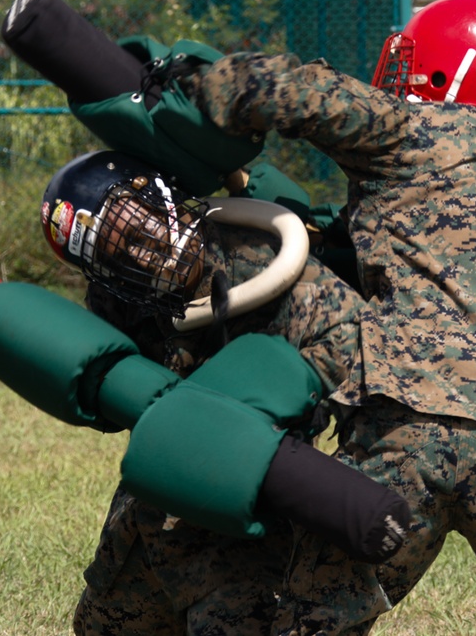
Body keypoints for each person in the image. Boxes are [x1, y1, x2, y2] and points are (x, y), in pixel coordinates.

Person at [173, 0, 476, 634]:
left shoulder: (412, 133)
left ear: (447, 69)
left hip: (405, 424)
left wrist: (194, 88)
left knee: (314, 622)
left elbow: (299, 91)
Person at [38, 149, 394, 635]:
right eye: (121, 254)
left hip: (246, 510)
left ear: (161, 200)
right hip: (157, 510)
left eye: (142, 234)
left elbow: (356, 347)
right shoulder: (118, 298)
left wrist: (283, 393)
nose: (144, 255)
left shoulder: (261, 262)